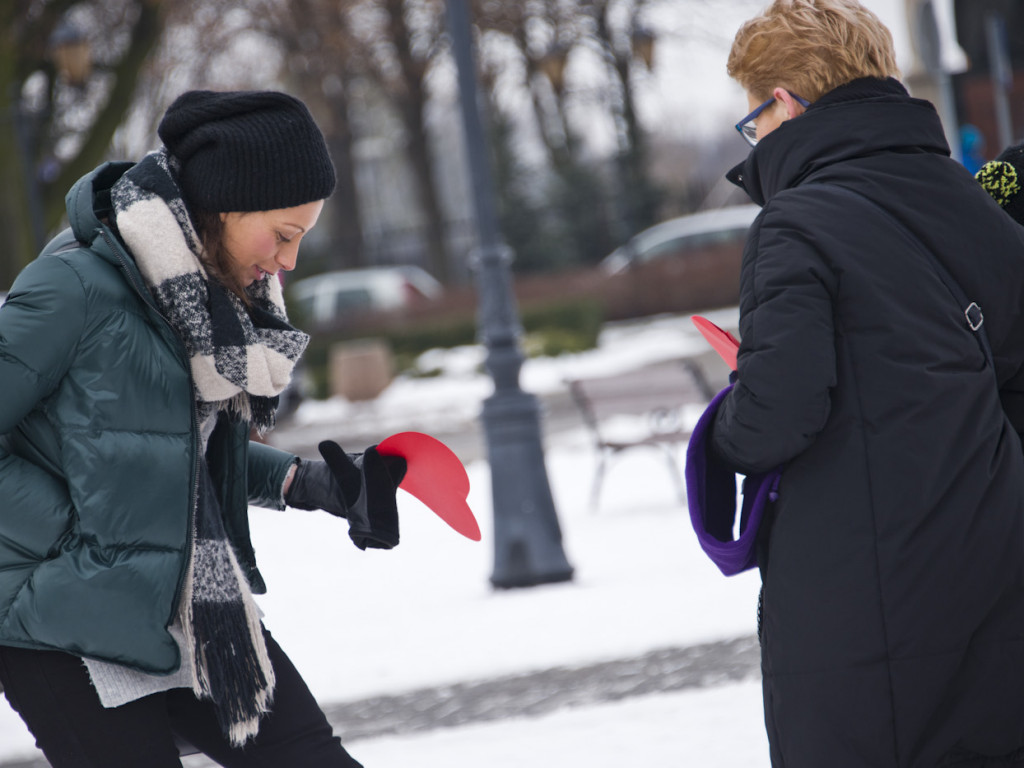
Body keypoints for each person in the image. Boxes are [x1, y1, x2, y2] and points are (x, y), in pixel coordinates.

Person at [0, 90, 406, 768]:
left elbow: (175, 455)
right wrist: (74, 536)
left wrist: (315, 485)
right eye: (283, 234)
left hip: (190, 608)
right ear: (224, 204)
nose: (289, 262)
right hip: (58, 626)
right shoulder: (71, 288)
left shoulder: (204, 303)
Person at [706, 1, 1024, 765]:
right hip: (999, 570)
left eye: (754, 120)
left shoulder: (794, 225)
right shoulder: (977, 205)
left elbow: (777, 415)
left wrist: (718, 428)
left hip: (867, 598)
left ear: (784, 102)